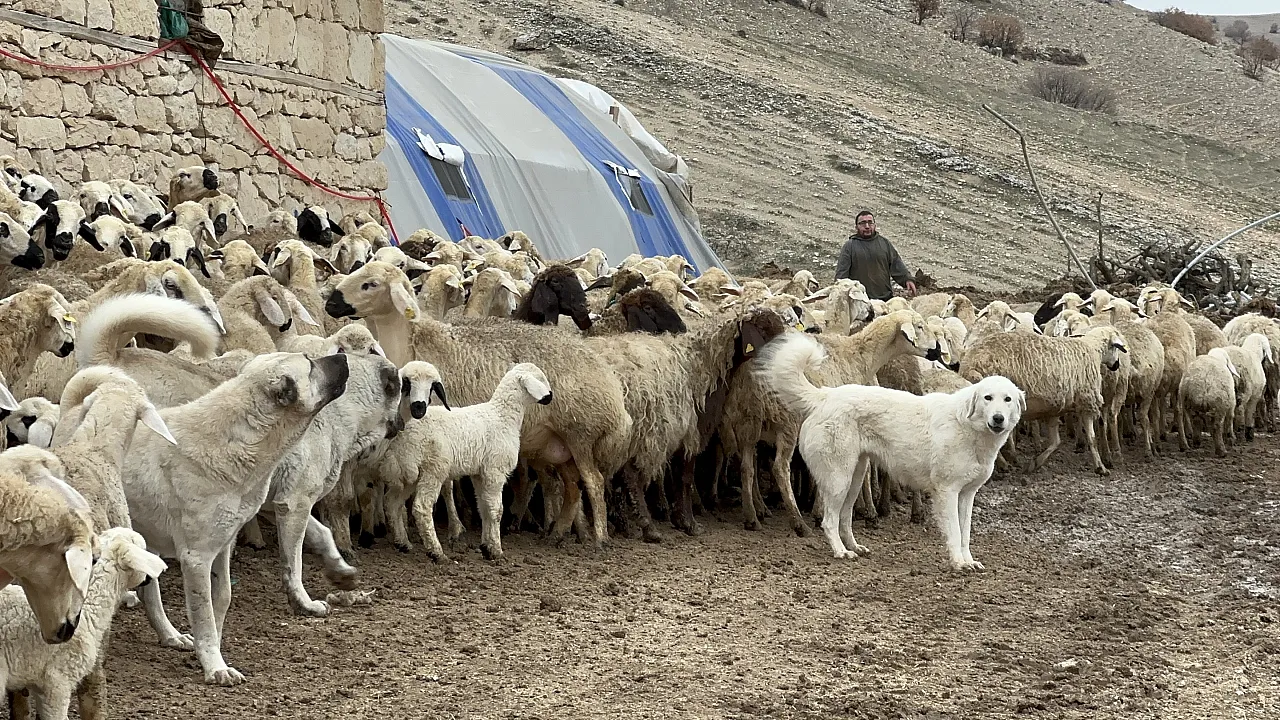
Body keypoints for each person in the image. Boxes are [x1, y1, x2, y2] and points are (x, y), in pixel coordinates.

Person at [834, 210, 916, 301]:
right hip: (860, 301)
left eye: (870, 223)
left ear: (875, 225)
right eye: (863, 223)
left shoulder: (884, 243)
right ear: (856, 227)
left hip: (885, 299)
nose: (867, 226)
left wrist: (907, 279)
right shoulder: (849, 246)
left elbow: (896, 264)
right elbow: (841, 276)